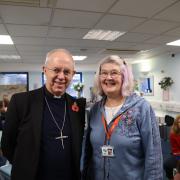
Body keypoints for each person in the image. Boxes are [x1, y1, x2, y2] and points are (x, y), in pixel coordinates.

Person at [1, 49, 86, 180]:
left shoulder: (77, 106)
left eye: (67, 72)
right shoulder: (21, 102)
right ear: (45, 70)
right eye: (56, 70)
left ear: (73, 74)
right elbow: (7, 145)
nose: (62, 76)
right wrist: (25, 166)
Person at [82, 55, 163, 180]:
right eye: (104, 73)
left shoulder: (142, 108)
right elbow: (88, 153)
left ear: (124, 77)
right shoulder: (95, 110)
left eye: (114, 73)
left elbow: (153, 156)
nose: (108, 77)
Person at [164, 115, 180, 180]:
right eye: (179, 122)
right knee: (167, 164)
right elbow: (175, 149)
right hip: (177, 154)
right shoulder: (173, 134)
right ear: (176, 123)